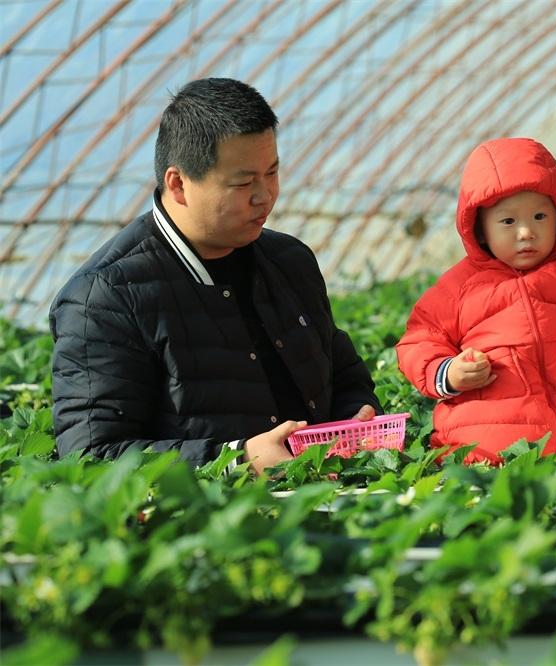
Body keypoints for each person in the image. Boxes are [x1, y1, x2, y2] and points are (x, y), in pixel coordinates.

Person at [49, 78, 380, 475]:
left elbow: (345, 378)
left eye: (271, 173)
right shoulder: (107, 298)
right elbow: (90, 456)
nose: (265, 195)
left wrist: (356, 417)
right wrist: (237, 459)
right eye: (243, 182)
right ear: (178, 184)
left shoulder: (290, 261)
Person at [396, 138, 556, 464]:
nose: (526, 232)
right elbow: (419, 340)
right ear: (480, 230)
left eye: (539, 216)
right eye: (508, 222)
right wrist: (448, 373)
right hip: (474, 453)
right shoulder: (459, 286)